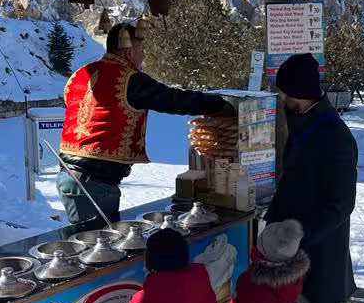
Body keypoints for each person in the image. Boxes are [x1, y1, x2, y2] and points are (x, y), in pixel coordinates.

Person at [57, 21, 234, 229]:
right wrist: (219, 105)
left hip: (69, 176)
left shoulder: (79, 74)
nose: (144, 56)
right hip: (95, 183)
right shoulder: (128, 80)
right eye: (142, 50)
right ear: (129, 52)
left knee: (87, 242)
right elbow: (173, 99)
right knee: (97, 249)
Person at [265, 53, 358, 303]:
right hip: (295, 244)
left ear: (298, 93)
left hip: (322, 247)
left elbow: (341, 205)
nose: (280, 99)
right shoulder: (302, 121)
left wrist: (297, 234)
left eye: (284, 93)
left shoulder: (334, 136)